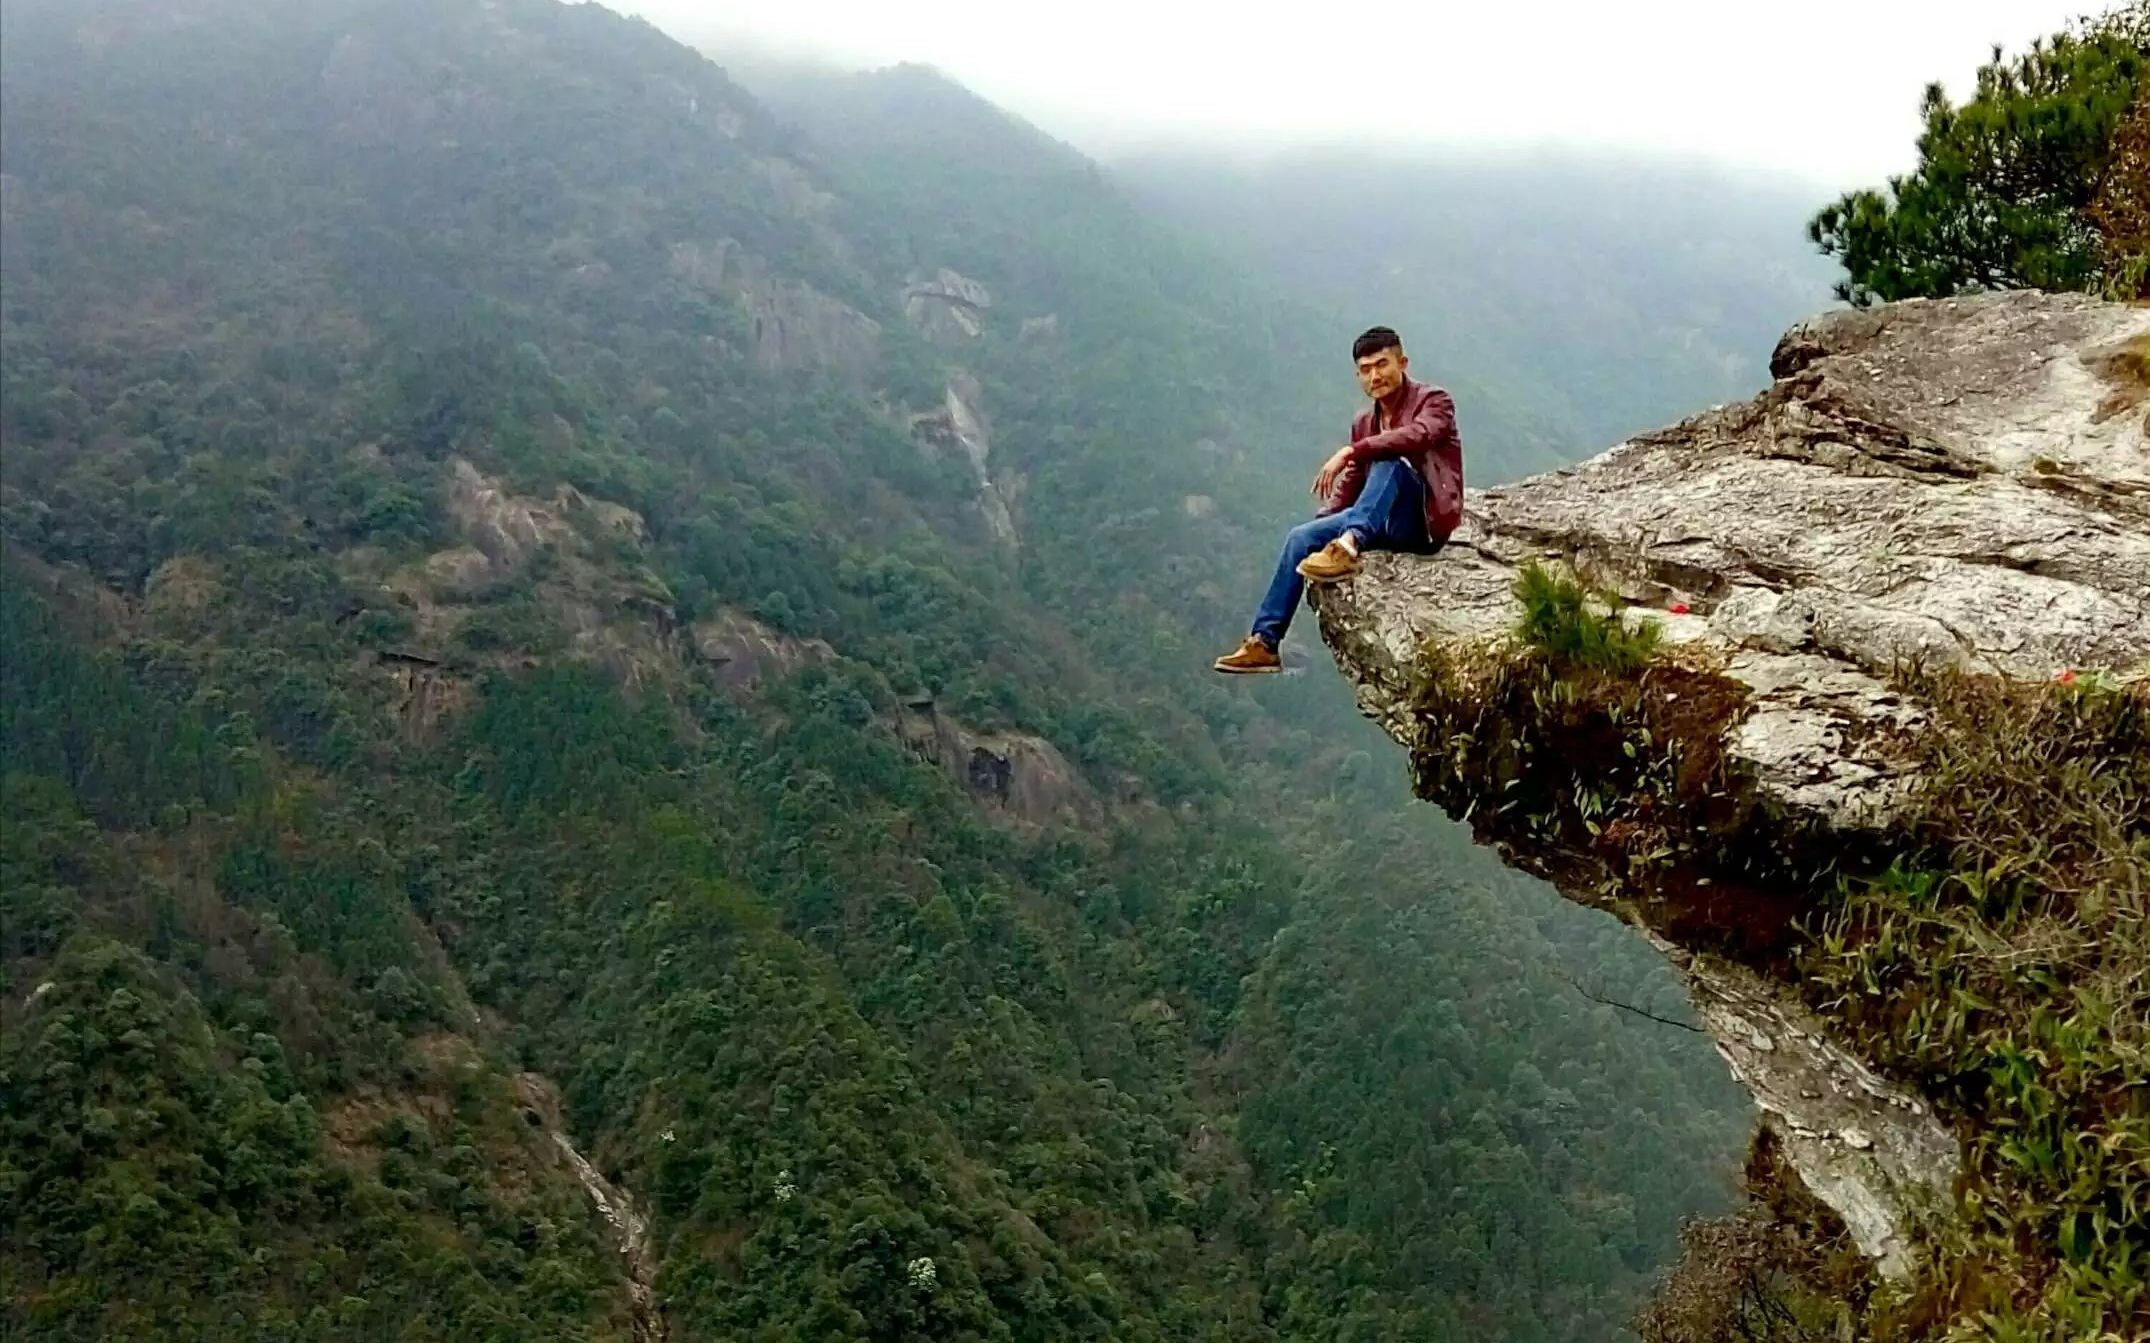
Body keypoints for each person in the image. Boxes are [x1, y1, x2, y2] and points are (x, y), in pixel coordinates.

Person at [1213, 326, 1464, 674]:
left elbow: (1420, 435)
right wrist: (1323, 525)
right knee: (1300, 537)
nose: (1375, 376)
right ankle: (1264, 643)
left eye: (1382, 364)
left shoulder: (1433, 401)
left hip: (1420, 521)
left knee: (1390, 460)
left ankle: (1348, 547)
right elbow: (1353, 484)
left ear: (1402, 362)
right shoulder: (1364, 422)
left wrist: (1351, 451)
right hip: (1378, 519)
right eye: (1365, 370)